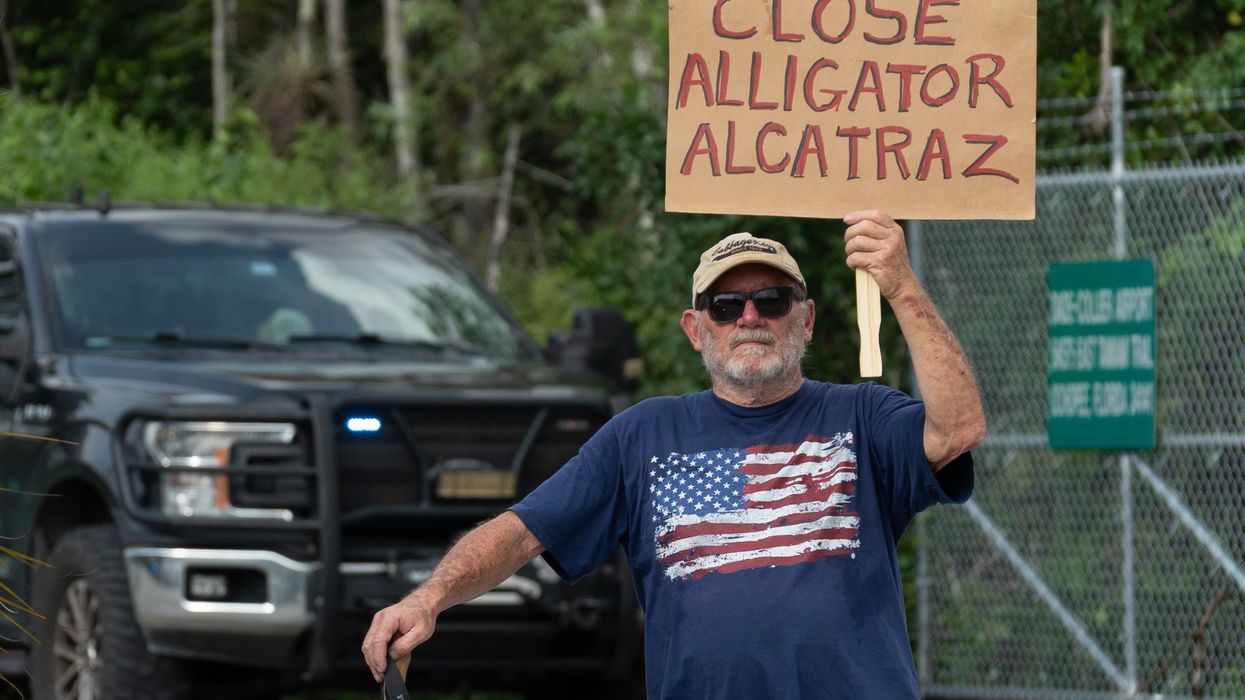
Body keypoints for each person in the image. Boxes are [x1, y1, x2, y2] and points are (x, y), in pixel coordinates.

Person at [362, 210, 985, 699]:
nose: (749, 317)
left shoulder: (864, 417)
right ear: (695, 329)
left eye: (771, 300)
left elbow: (956, 431)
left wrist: (900, 286)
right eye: (725, 305)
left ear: (807, 319)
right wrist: (427, 598)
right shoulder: (643, 435)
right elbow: (524, 532)